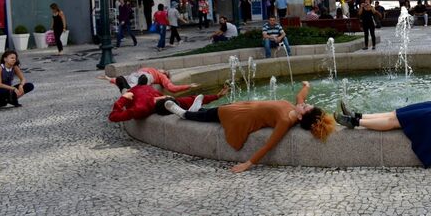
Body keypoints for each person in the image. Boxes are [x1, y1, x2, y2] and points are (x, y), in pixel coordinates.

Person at [164, 81, 334, 173]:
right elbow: (300, 96)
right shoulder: (295, 110)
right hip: (246, 107)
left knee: (215, 114)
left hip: (243, 117)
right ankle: (196, 110)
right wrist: (306, 86)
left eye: (305, 107)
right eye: (306, 104)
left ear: (300, 115)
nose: (304, 103)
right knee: (213, 113)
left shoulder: (285, 121)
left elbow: (269, 145)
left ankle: (184, 114)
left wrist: (247, 164)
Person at [108, 83, 227, 122]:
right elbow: (113, 117)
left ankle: (188, 112)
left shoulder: (144, 104)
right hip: (133, 95)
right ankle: (188, 112)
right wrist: (123, 98)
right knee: (121, 83)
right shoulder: (141, 108)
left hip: (134, 93)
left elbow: (189, 99)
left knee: (186, 103)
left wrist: (216, 96)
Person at [102, 67, 198, 94]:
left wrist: (188, 86)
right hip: (135, 75)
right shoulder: (155, 70)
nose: (163, 70)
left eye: (166, 71)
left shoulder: (162, 77)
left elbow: (172, 88)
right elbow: (125, 80)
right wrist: (109, 79)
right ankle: (126, 92)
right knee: (127, 82)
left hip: (146, 77)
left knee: (137, 83)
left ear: (165, 74)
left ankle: (127, 93)